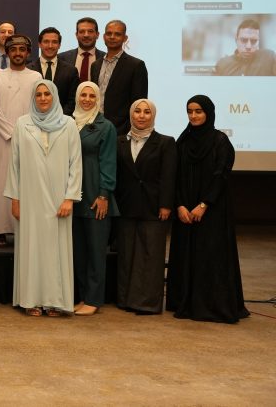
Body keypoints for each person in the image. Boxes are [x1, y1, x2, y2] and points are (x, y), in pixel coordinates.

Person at [166, 95, 249, 324]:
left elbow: (221, 175)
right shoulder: (183, 141)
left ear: (208, 113)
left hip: (212, 212)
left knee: (210, 257)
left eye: (198, 111)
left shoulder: (220, 141)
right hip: (185, 212)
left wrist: (204, 204)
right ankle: (185, 301)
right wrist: (180, 205)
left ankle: (212, 305)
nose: (193, 116)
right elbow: (175, 177)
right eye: (190, 111)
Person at [5, 81, 82, 317]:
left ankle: (54, 302)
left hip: (59, 198)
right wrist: (15, 199)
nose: (43, 98)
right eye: (38, 94)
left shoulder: (69, 124)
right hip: (30, 197)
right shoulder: (22, 123)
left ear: (55, 96)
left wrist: (70, 198)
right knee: (31, 248)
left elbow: (75, 163)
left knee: (56, 250)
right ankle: (31, 300)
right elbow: (15, 163)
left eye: (47, 94)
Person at [114, 98, 176, 315]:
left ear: (153, 115)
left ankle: (147, 302)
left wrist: (166, 205)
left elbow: (168, 176)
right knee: (126, 256)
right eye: (137, 111)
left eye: (146, 112)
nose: (141, 115)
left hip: (154, 208)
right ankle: (125, 299)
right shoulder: (119, 141)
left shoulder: (166, 142)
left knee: (150, 256)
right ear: (131, 114)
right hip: (126, 206)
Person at [0, 35, 41, 247]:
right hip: (3, 139)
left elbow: (40, 106)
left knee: (27, 183)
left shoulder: (36, 76)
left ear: (28, 52)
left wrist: (26, 132)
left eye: (22, 49)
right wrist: (11, 132)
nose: (18, 53)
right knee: (1, 182)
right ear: (7, 53)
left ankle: (23, 228)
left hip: (30, 138)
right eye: (13, 49)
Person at [71, 81, 118, 316]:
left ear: (98, 99)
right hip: (74, 196)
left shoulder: (105, 126)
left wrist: (103, 194)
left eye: (92, 96)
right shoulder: (70, 123)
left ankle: (94, 299)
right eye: (83, 95)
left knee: (96, 252)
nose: (87, 100)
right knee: (79, 253)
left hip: (95, 196)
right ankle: (83, 297)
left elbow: (108, 162)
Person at [90, 20, 148, 136]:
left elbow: (138, 103)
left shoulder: (136, 65)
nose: (112, 37)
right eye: (109, 33)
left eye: (117, 34)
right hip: (95, 126)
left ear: (125, 38)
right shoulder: (95, 65)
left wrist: (129, 130)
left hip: (121, 130)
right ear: (104, 37)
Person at [31, 27, 78, 116]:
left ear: (59, 45)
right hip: (34, 120)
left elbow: (72, 101)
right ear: (39, 44)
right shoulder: (29, 69)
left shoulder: (71, 71)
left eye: (54, 42)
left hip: (61, 120)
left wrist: (58, 118)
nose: (50, 46)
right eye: (46, 42)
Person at [58, 17, 105, 83]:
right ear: (76, 35)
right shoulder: (61, 58)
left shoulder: (105, 58)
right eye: (82, 31)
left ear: (97, 35)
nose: (86, 35)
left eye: (90, 31)